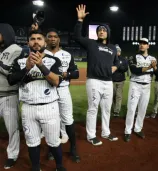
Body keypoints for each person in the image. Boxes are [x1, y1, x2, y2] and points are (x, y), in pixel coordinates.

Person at [7, 29, 66, 171]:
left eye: (39, 38)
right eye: (32, 39)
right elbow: (11, 80)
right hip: (28, 107)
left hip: (49, 107)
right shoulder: (20, 61)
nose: (36, 41)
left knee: (53, 141)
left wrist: (40, 65)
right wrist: (27, 68)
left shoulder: (53, 60)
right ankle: (35, 167)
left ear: (44, 42)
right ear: (28, 42)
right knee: (32, 142)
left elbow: (56, 81)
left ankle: (59, 166)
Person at [74, 4, 119, 146]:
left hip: (108, 82)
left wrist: (114, 68)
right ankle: (91, 135)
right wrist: (80, 20)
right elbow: (77, 37)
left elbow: (118, 62)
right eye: (99, 30)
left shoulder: (112, 48)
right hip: (94, 81)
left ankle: (106, 132)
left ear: (108, 33)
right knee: (93, 108)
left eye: (104, 30)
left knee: (106, 109)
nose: (101, 31)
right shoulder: (91, 44)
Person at [44, 28, 80, 162]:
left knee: (68, 119)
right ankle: (51, 149)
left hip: (63, 89)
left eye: (55, 36)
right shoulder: (42, 53)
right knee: (50, 121)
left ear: (59, 39)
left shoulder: (67, 54)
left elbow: (75, 73)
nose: (52, 38)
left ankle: (73, 148)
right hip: (47, 90)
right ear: (46, 39)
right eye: (50, 36)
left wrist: (67, 74)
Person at [124, 38, 157, 142]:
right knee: (132, 108)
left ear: (148, 46)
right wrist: (150, 67)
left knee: (143, 109)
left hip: (147, 86)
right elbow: (135, 70)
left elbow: (156, 72)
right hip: (135, 85)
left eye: (144, 43)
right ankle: (128, 131)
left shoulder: (153, 58)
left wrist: (155, 68)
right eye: (140, 43)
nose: (142, 45)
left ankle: (138, 128)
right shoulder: (133, 57)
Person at [0, 23, 20, 169]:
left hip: (9, 95)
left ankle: (12, 155)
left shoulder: (16, 49)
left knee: (12, 128)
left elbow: (8, 70)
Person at [112, 44, 128, 117]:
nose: (118, 52)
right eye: (117, 51)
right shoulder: (111, 59)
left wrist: (118, 67)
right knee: (113, 96)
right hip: (112, 80)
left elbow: (126, 68)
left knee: (119, 96)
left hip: (121, 80)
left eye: (119, 51)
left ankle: (117, 111)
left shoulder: (123, 59)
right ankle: (114, 108)